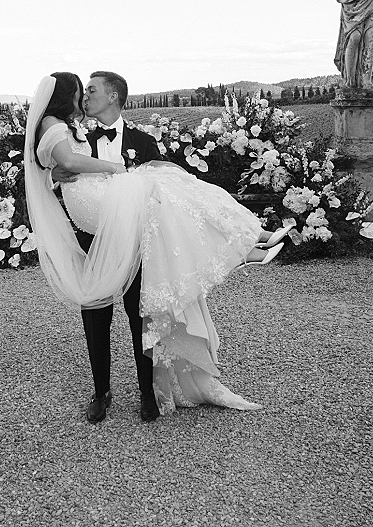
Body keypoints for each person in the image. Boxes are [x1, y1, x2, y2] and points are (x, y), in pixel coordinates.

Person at [23, 71, 287, 423]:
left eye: (93, 90)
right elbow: (47, 164)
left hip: (139, 243)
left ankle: (148, 392)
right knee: (95, 316)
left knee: (142, 315)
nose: (86, 97)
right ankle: (101, 393)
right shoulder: (74, 132)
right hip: (91, 239)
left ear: (114, 96)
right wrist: (53, 175)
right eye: (83, 91)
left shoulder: (142, 141)